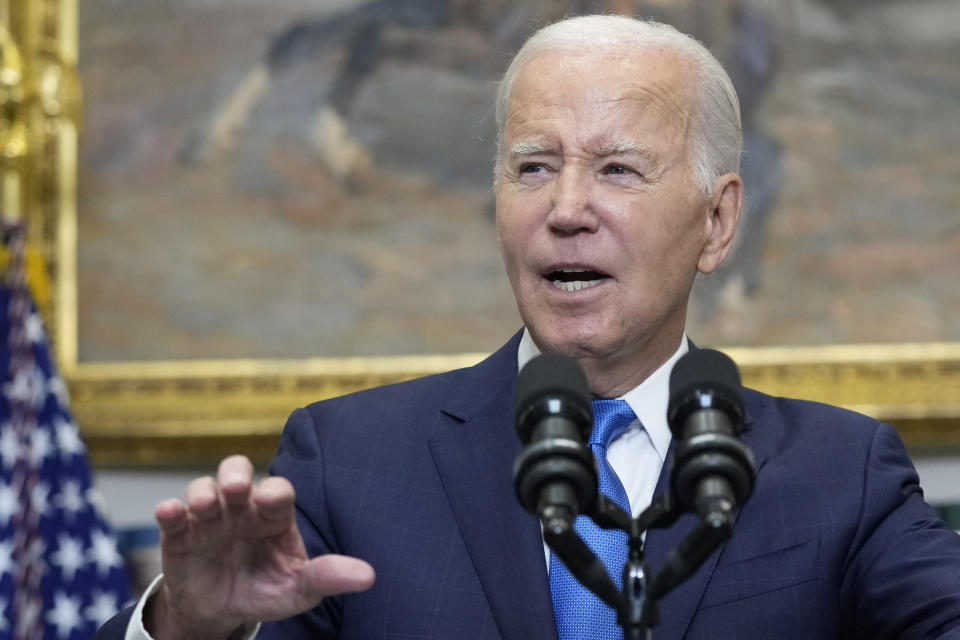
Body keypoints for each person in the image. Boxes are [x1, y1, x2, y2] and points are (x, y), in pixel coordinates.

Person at [96, 14, 960, 640]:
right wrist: (188, 628)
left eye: (618, 169)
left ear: (718, 222)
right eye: (533, 167)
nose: (567, 208)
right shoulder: (349, 462)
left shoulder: (842, 475)